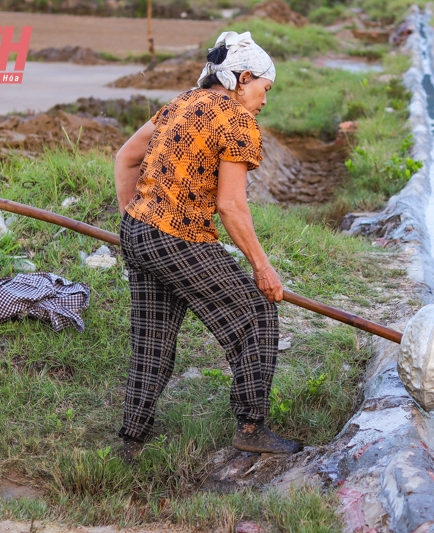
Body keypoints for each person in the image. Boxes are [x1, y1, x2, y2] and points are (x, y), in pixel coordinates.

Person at [113, 31, 301, 462]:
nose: (264, 100)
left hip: (139, 234)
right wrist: (263, 268)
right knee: (256, 311)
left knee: (152, 338)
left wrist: (132, 216)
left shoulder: (180, 103)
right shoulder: (237, 121)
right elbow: (231, 205)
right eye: (264, 89)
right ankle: (252, 427)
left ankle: (131, 443)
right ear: (243, 77)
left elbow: (125, 157)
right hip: (179, 237)